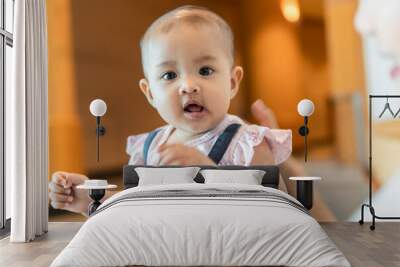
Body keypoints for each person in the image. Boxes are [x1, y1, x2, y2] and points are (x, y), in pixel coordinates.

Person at [49, 5, 334, 220]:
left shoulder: (248, 142)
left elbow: (275, 215)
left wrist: (208, 172)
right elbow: (133, 210)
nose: (188, 86)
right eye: (170, 75)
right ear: (150, 93)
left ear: (232, 82)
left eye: (205, 71)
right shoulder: (149, 147)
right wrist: (89, 198)